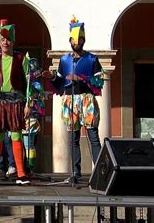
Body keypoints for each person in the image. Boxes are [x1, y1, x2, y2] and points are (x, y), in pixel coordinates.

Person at [42, 16, 103, 183]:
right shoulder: (64, 59)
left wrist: (82, 78)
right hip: (70, 100)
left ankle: (99, 172)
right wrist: (53, 77)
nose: (77, 42)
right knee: (73, 138)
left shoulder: (92, 59)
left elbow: (100, 81)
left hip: (86, 99)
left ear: (84, 39)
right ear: (70, 40)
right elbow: (60, 82)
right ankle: (75, 173)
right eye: (74, 39)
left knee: (93, 137)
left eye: (80, 39)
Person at [0, 19, 31, 185]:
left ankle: (21, 173)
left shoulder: (22, 59)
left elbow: (31, 83)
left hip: (16, 101)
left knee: (16, 135)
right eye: (3, 40)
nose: (5, 42)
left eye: (8, 39)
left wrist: (28, 104)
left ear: (13, 41)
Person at [22, 57, 47, 173]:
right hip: (23, 117)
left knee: (29, 144)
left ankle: (30, 168)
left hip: (31, 117)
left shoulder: (36, 85)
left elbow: (37, 100)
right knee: (26, 144)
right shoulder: (26, 84)